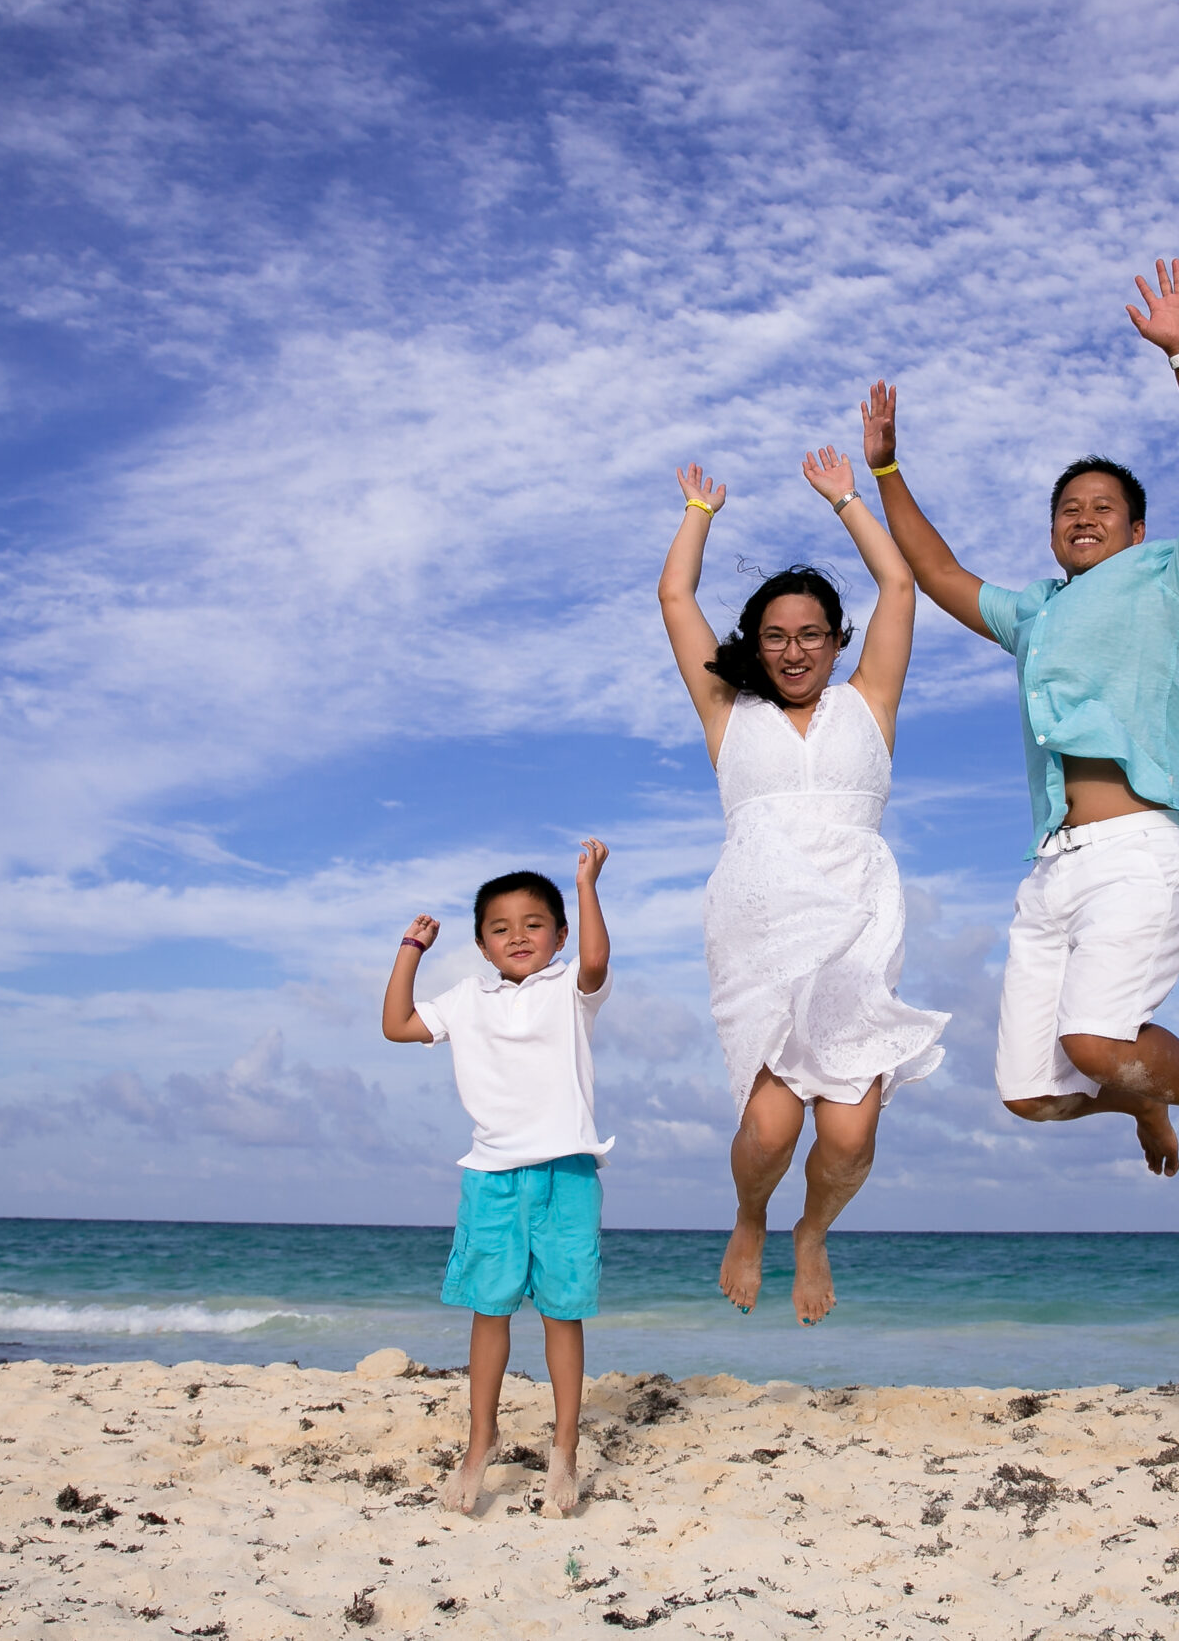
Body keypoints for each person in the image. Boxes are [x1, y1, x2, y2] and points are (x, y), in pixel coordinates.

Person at [873, 260, 1179, 1204]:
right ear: (1054, 534)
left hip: (1140, 845)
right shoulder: (1036, 612)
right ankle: (1145, 1099)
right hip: (1054, 864)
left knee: (1094, 1042)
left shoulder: (1174, 580)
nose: (1084, 516)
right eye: (1068, 509)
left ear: (1135, 531)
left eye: (1103, 507)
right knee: (1028, 1093)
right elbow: (934, 569)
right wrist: (887, 468)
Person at [657, 444, 949, 1326]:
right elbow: (676, 600)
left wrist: (850, 500)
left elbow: (899, 585)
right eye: (776, 636)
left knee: (850, 1134)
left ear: (836, 640)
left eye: (811, 634)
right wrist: (698, 517)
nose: (793, 650)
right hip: (760, 930)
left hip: (855, 927)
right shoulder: (728, 713)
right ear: (757, 643)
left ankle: (811, 1231)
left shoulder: (872, 702)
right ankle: (750, 1216)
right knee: (772, 1130)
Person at [382, 842, 613, 1517]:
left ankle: (563, 1447)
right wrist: (410, 949)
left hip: (567, 1171)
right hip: (491, 1177)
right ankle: (479, 1443)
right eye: (501, 927)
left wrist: (585, 883)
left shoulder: (569, 990)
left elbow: (597, 961)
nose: (519, 936)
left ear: (560, 933)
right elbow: (396, 1023)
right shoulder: (466, 999)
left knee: (563, 1313)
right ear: (482, 944)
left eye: (535, 923)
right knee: (490, 1310)